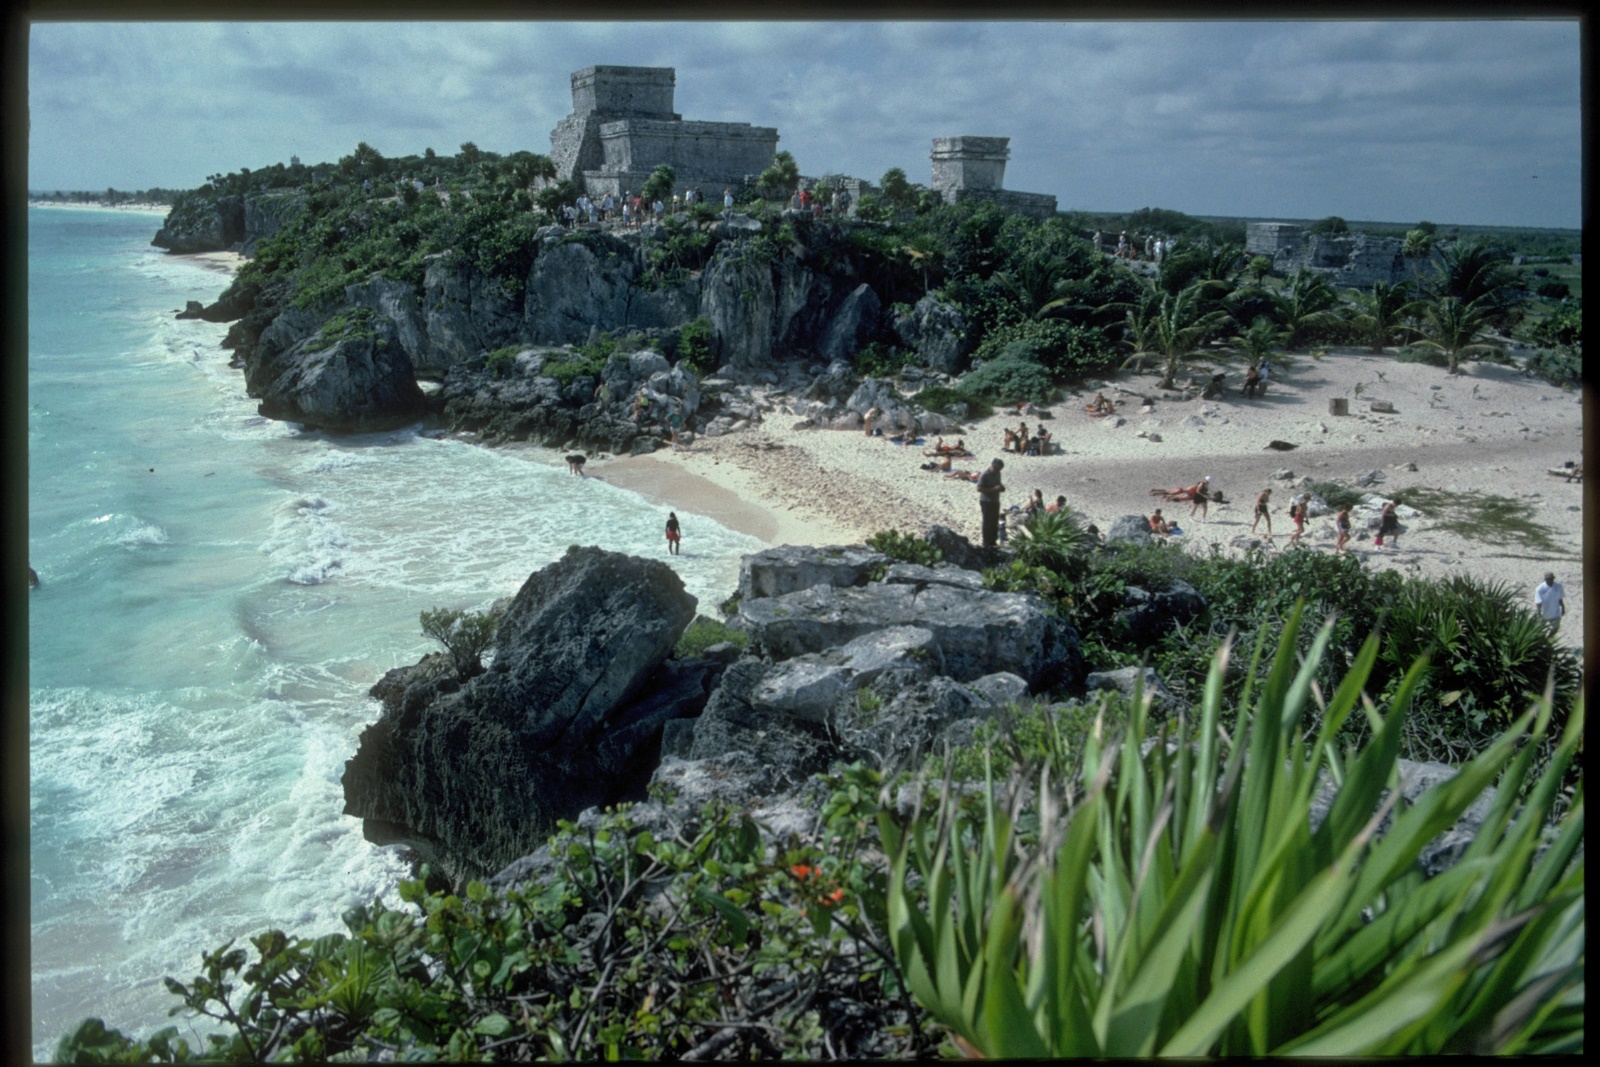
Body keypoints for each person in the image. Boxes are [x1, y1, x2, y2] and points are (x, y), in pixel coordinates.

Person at [977, 458, 1006, 548]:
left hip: (995, 500)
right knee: (987, 522)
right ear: (993, 466)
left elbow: (998, 483)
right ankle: (986, 542)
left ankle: (993, 541)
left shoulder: (997, 473)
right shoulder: (985, 474)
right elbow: (979, 488)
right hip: (986, 501)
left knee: (994, 521)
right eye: (997, 469)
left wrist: (1001, 488)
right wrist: (993, 489)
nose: (998, 471)